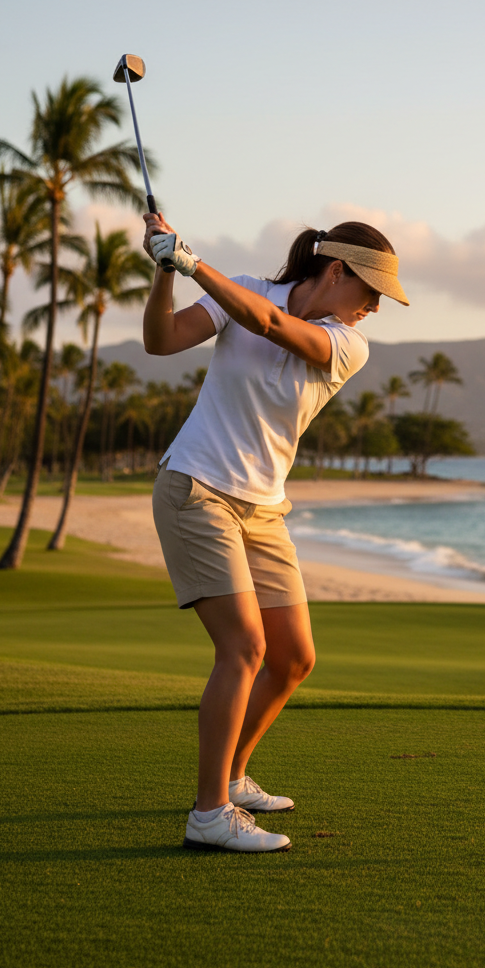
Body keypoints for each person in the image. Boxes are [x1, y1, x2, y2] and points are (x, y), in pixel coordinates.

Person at [141, 214, 409, 852]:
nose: (375, 307)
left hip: (262, 509)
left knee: (293, 658)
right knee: (243, 650)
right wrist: (164, 272)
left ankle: (233, 777)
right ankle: (209, 814)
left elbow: (268, 324)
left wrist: (190, 260)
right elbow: (162, 340)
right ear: (336, 270)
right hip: (196, 490)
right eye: (371, 290)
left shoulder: (347, 343)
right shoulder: (241, 287)